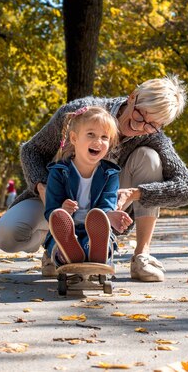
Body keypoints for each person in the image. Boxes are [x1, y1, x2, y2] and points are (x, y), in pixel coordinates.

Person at [0, 75, 188, 281]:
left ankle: (141, 257)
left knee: (149, 158)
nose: (140, 127)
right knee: (7, 236)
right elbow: (31, 151)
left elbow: (187, 189)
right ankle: (54, 247)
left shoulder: (151, 135)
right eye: (139, 116)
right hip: (58, 196)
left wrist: (134, 194)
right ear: (133, 97)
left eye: (152, 125)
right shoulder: (80, 113)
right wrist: (44, 188)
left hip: (105, 202)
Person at [44, 106, 132, 267]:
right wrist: (62, 209)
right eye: (91, 134)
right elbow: (51, 210)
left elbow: (106, 205)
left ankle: (94, 250)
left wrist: (109, 216)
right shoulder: (59, 172)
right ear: (74, 138)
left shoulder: (109, 174)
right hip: (66, 231)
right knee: (57, 240)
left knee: (102, 239)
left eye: (104, 137)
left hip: (96, 232)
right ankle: (65, 253)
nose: (98, 142)